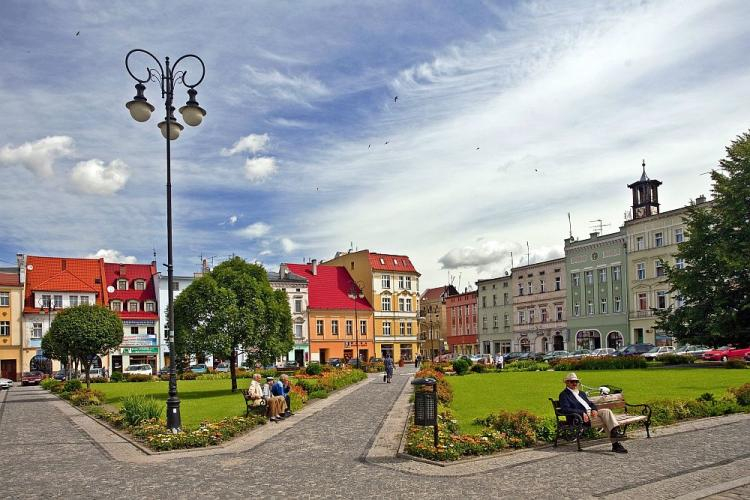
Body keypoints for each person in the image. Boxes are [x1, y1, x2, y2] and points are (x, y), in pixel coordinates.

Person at [559, 372, 627, 453]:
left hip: (591, 414)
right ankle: (616, 444)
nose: (574, 383)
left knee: (607, 411)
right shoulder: (564, 395)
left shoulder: (581, 393)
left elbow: (591, 404)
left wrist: (594, 409)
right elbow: (565, 409)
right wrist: (581, 413)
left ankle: (615, 432)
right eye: (572, 381)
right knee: (606, 421)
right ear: (567, 382)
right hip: (579, 418)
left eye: (576, 381)